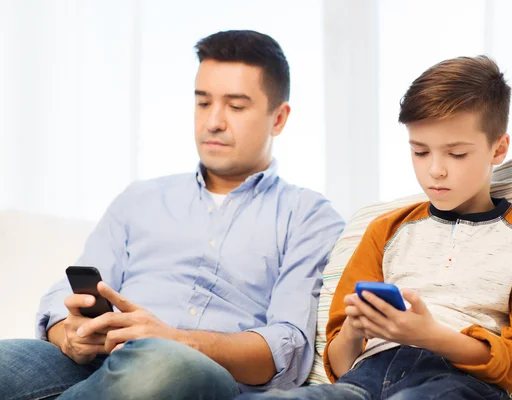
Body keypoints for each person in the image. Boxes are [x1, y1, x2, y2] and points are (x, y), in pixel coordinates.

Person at [0, 30, 344, 400]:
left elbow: (286, 347)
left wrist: (177, 340)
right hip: (99, 362)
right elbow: (69, 293)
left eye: (236, 106)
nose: (213, 121)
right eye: (202, 102)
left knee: (164, 366)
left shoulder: (309, 216)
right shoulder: (140, 198)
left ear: (279, 118)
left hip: (198, 373)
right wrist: (68, 331)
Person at [237, 56, 512, 400]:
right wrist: (354, 331)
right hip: (365, 378)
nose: (435, 170)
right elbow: (340, 364)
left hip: (460, 383)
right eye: (420, 151)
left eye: (457, 154)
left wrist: (431, 335)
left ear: (499, 148)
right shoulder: (386, 230)